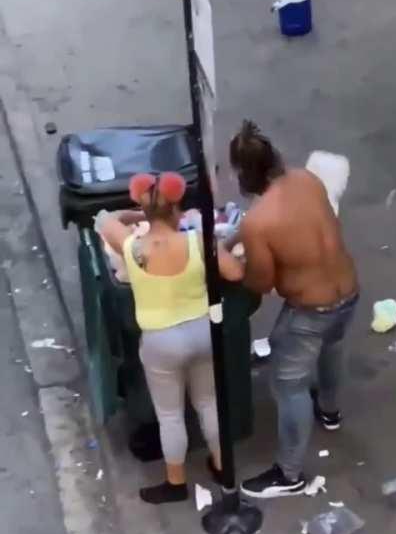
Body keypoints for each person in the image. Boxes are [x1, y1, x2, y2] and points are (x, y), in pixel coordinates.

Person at [229, 120, 359, 498]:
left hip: (310, 311)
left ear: (244, 175)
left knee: (288, 385)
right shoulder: (306, 179)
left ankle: (289, 474)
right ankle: (330, 412)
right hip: (348, 292)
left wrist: (238, 263)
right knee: (331, 349)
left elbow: (261, 283)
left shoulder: (259, 222)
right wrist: (236, 237)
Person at [99, 172, 243, 504]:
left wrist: (139, 214)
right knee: (208, 403)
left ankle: (175, 482)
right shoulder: (197, 241)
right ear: (178, 207)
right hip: (202, 331)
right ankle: (223, 467)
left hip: (160, 342)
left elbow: (105, 219)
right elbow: (235, 272)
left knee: (170, 415)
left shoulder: (133, 247)